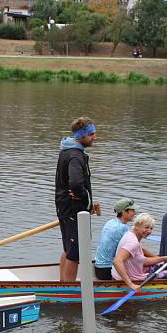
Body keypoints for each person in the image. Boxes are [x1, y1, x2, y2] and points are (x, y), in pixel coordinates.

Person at [55, 116, 100, 281]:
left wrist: (85, 198)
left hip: (65, 207)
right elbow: (75, 182)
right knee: (75, 253)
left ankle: (62, 284)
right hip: (74, 209)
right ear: (82, 136)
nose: (94, 137)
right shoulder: (75, 155)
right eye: (92, 134)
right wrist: (84, 197)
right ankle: (68, 288)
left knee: (68, 248)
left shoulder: (67, 150)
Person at [112, 213, 167, 289]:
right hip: (132, 280)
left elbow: (142, 260)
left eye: (151, 228)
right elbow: (117, 261)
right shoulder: (133, 243)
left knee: (161, 263)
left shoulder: (129, 234)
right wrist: (131, 284)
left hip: (119, 275)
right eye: (146, 227)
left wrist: (164, 258)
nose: (149, 231)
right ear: (137, 226)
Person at [94, 198, 139, 280]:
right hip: (107, 270)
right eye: (132, 211)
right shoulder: (123, 228)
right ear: (124, 212)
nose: (135, 213)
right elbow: (134, 248)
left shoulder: (110, 222)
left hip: (98, 267)